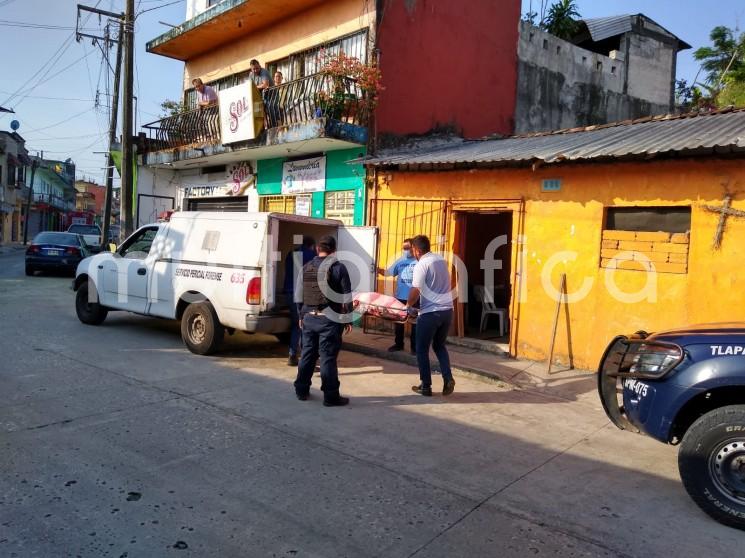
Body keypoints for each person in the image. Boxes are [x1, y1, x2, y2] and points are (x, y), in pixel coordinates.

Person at [294, 235, 352, 407]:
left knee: (307, 355)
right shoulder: (339, 268)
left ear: (317, 249)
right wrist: (348, 318)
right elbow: (346, 296)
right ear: (334, 250)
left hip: (309, 318)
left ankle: (301, 390)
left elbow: (299, 295)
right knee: (327, 358)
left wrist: (300, 316)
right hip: (330, 320)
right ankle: (330, 396)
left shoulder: (306, 267)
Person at [406, 235, 455, 397]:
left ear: (417, 250)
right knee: (439, 346)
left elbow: (415, 289)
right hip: (447, 311)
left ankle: (425, 386)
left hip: (430, 314)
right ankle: (448, 378)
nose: (411, 251)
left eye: (412, 249)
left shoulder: (422, 264)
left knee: (421, 349)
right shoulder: (440, 260)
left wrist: (408, 306)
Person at [378, 238, 417, 353]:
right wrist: (377, 269)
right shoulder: (400, 261)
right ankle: (399, 344)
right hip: (400, 297)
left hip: (414, 297)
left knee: (415, 323)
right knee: (399, 322)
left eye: (408, 248)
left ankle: (414, 348)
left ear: (413, 248)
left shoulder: (419, 262)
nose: (406, 250)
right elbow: (388, 273)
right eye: (404, 248)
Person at [283, 235, 316, 366]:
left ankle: (293, 354)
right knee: (305, 326)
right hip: (303, 295)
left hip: (289, 293)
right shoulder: (312, 255)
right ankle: (303, 358)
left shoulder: (291, 253)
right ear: (312, 245)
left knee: (296, 325)